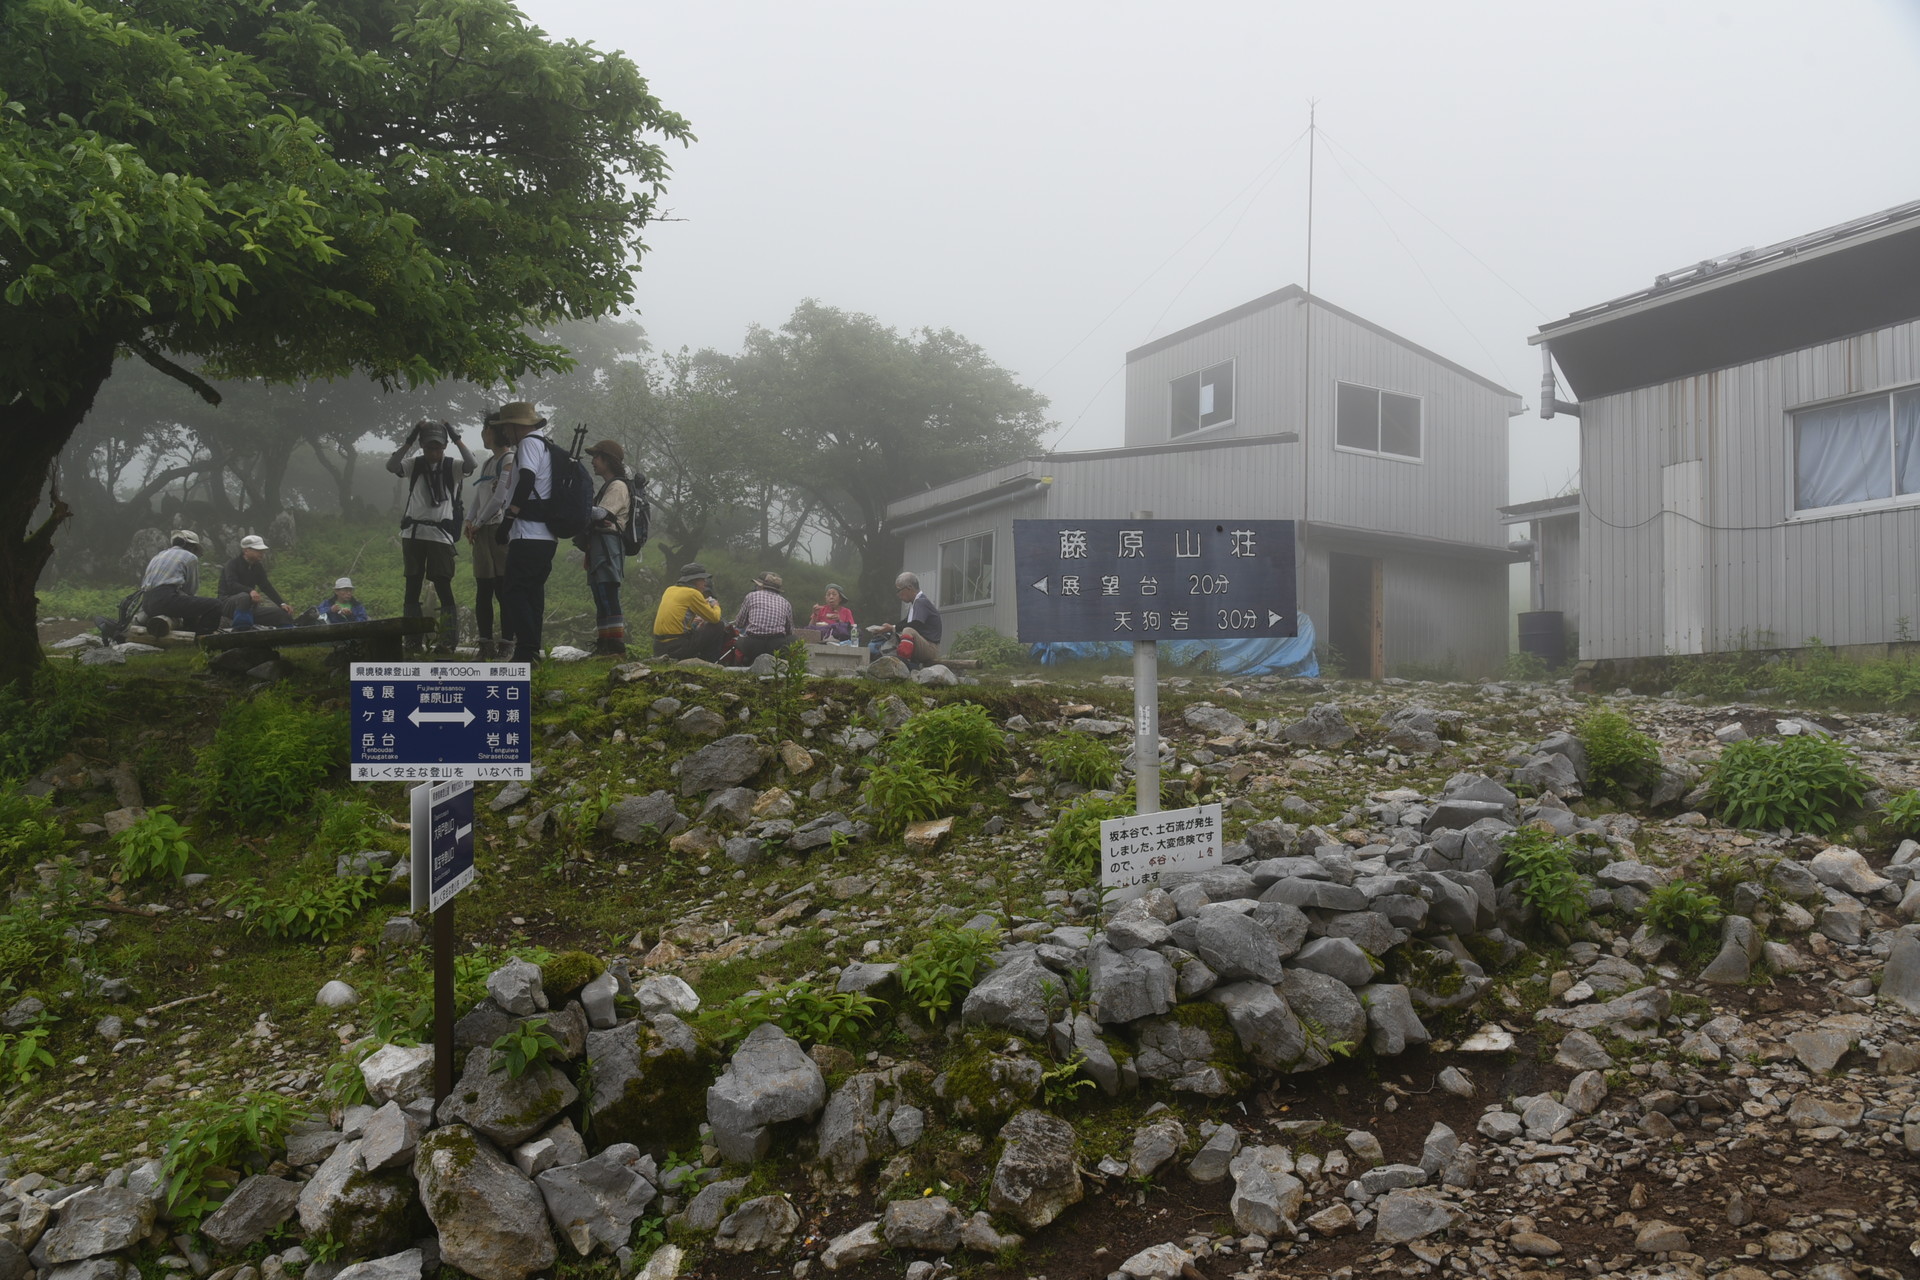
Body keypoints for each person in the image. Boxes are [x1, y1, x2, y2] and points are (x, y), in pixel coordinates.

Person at [470, 401, 557, 664]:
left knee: (514, 591)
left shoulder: (529, 443)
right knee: (532, 594)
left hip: (528, 533)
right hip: (545, 533)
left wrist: (508, 520)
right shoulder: (544, 444)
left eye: (506, 426)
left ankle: (525, 650)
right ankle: (531, 652)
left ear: (516, 425)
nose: (504, 432)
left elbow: (527, 479)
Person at [387, 418, 476, 652]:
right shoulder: (414, 464)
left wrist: (455, 435)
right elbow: (392, 466)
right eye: (429, 448)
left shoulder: (452, 466)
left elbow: (472, 463)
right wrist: (410, 438)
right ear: (422, 446)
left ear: (444, 446)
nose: (434, 453)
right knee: (412, 585)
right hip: (413, 533)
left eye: (438, 447)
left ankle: (447, 641)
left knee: (443, 586)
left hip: (440, 535)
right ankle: (413, 640)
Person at [466, 418, 512, 658]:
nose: (483, 435)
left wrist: (477, 523)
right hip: (482, 529)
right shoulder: (488, 463)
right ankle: (485, 644)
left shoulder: (509, 460)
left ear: (492, 432)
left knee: (503, 589)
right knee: (483, 587)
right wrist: (469, 520)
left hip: (499, 530)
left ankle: (507, 643)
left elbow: (499, 499)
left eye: (485, 430)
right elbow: (480, 494)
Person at [582, 439, 632, 656]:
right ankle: (604, 643)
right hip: (600, 545)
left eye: (596, 457)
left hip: (608, 547)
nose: (593, 461)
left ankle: (615, 646)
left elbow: (601, 514)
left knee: (607, 593)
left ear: (608, 460)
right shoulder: (608, 486)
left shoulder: (618, 486)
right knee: (599, 594)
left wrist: (577, 506)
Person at [136, 530, 221, 636]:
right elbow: (190, 590)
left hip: (146, 603)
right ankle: (201, 636)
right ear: (192, 547)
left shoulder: (158, 555)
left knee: (185, 603)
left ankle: (189, 630)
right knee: (215, 605)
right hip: (164, 600)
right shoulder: (190, 557)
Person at [215, 534, 295, 629]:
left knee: (282, 614)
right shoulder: (232, 564)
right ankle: (242, 630)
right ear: (246, 550)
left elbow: (266, 586)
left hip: (248, 607)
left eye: (262, 550)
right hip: (227, 604)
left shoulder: (257, 567)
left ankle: (288, 634)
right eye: (258, 550)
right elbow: (232, 585)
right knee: (244, 597)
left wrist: (282, 604)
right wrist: (250, 591)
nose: (261, 553)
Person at [652, 562, 728, 662]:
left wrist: (703, 603)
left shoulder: (669, 590)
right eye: (702, 579)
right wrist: (716, 605)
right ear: (695, 581)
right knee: (718, 625)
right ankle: (709, 662)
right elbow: (715, 618)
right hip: (677, 647)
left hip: (658, 647)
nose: (705, 583)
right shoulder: (693, 593)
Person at [868, 571, 943, 666]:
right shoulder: (914, 604)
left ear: (909, 587)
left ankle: (903, 661)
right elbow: (905, 623)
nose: (898, 595)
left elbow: (915, 624)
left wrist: (892, 628)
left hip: (930, 648)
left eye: (899, 590)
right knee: (893, 634)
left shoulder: (921, 602)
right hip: (923, 644)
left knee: (908, 630)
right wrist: (889, 628)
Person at [732, 571, 794, 662]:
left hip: (753, 644)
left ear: (763, 585)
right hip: (776, 646)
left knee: (738, 642)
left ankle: (735, 665)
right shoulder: (786, 603)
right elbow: (789, 631)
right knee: (792, 640)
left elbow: (739, 623)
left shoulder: (751, 596)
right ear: (779, 590)